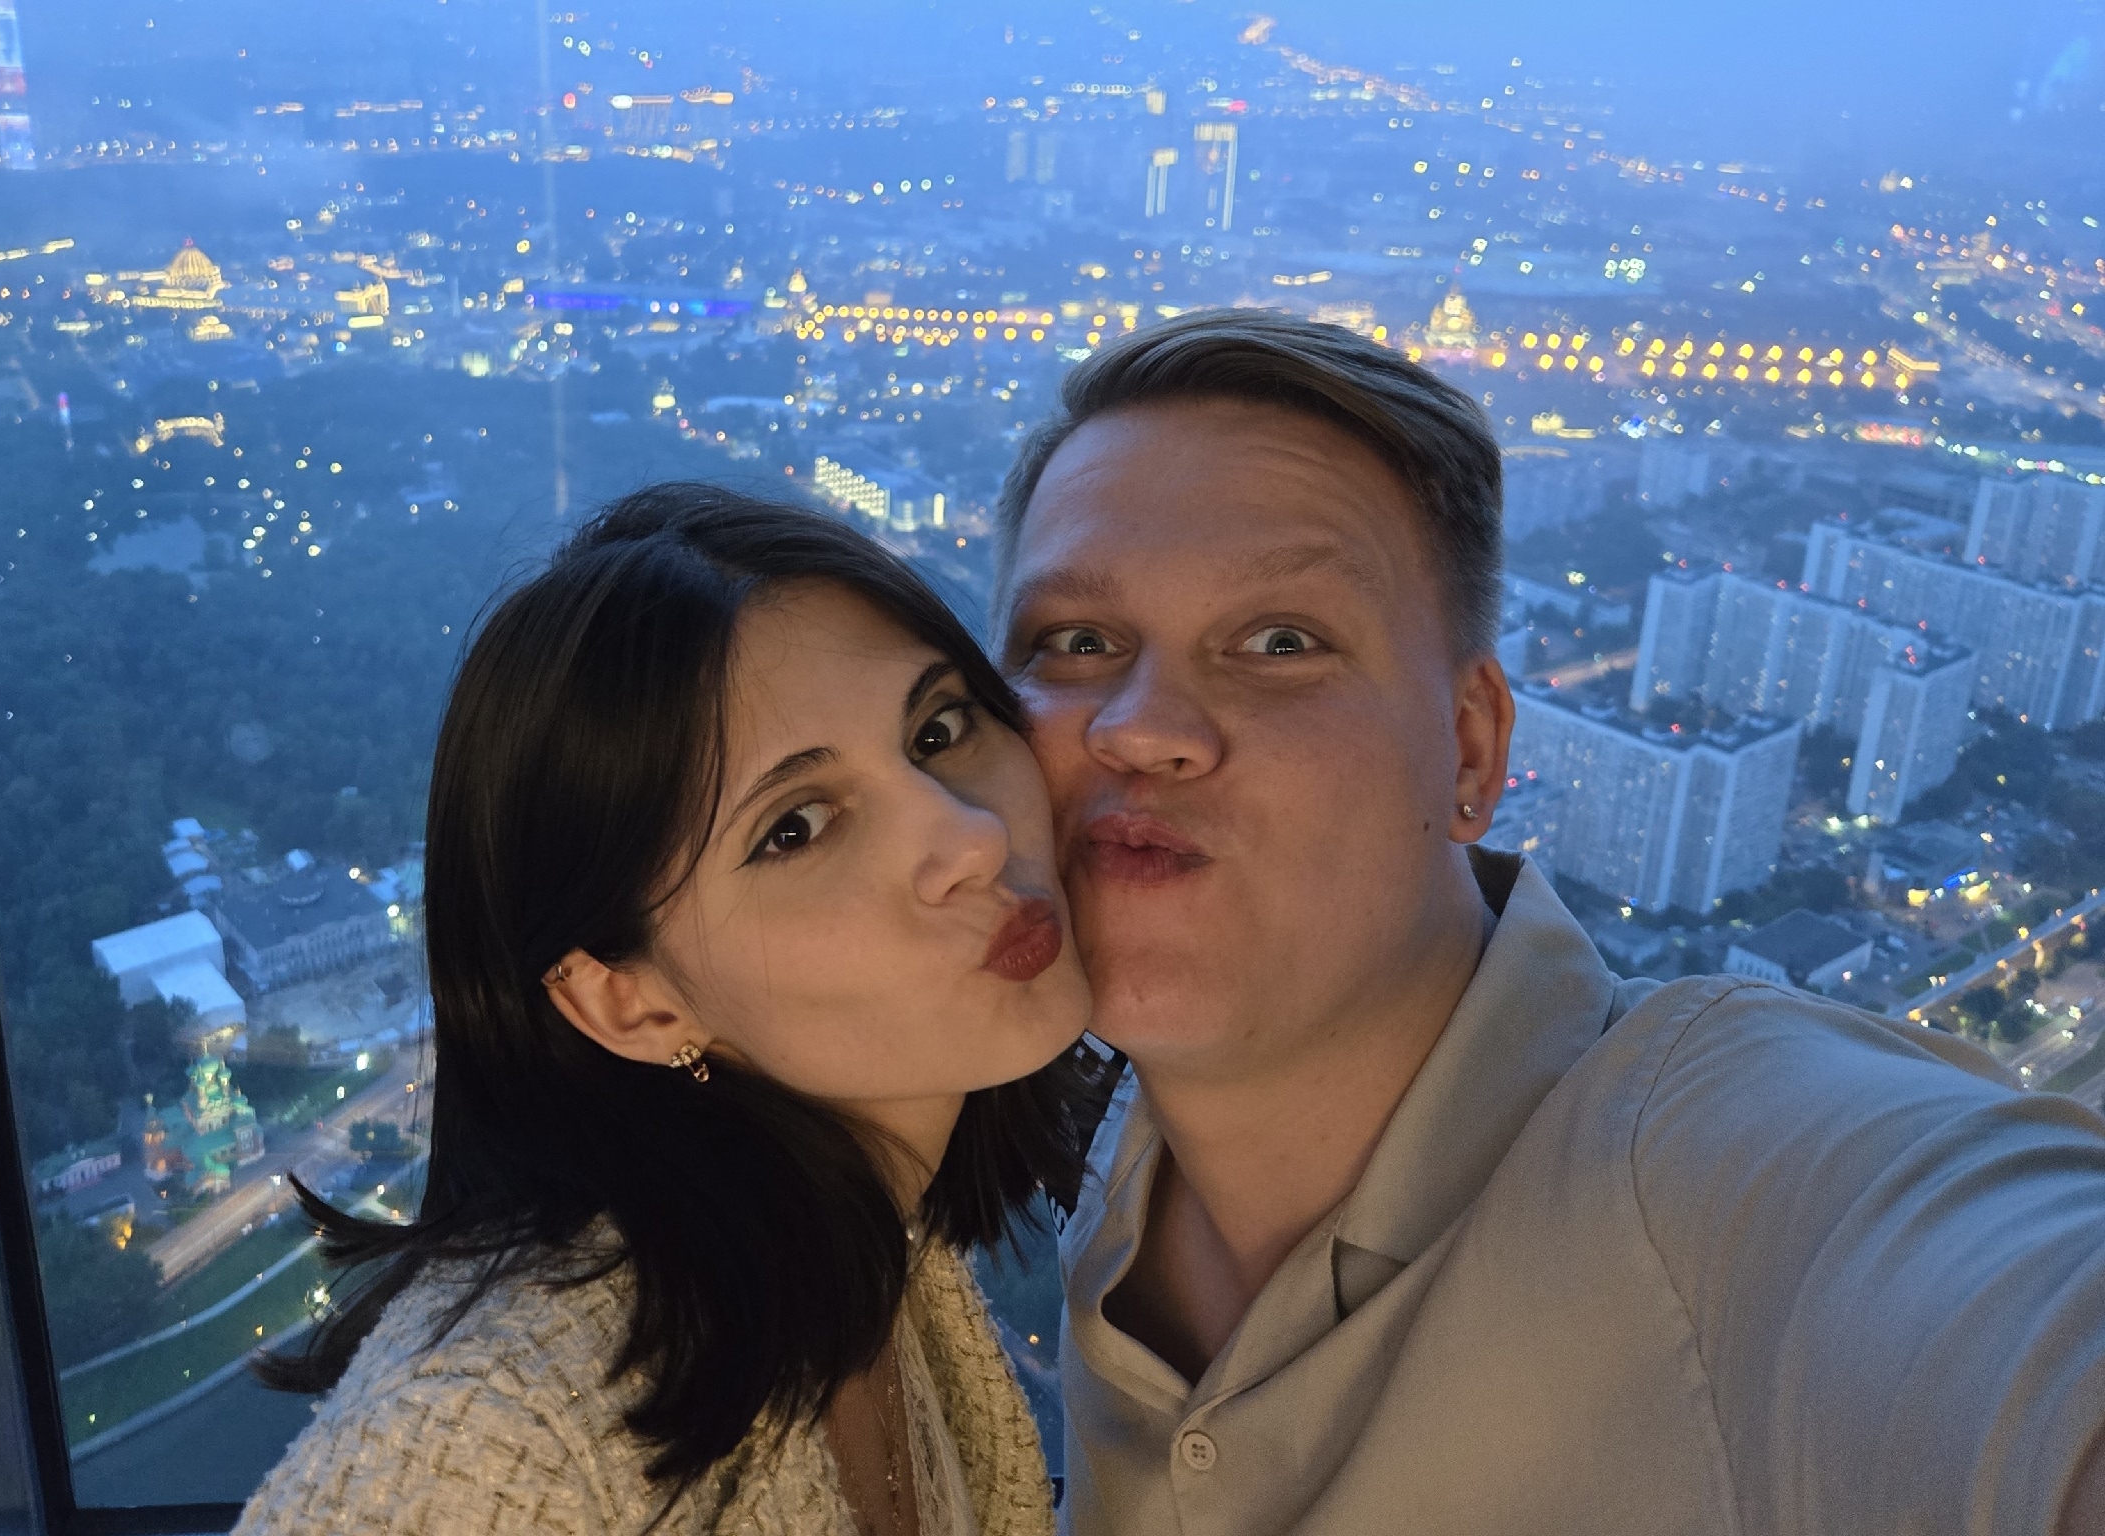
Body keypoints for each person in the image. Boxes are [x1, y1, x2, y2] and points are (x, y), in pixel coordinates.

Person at [995, 309, 2105, 1535]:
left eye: (1280, 641)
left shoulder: (1732, 1186)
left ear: (1470, 751)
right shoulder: (1107, 1168)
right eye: (1076, 641)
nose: (1140, 727)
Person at [234, 483, 1095, 1536]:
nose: (974, 838)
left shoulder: (869, 1268)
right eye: (796, 827)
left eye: (938, 729)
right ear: (628, 1001)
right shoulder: (488, 1446)